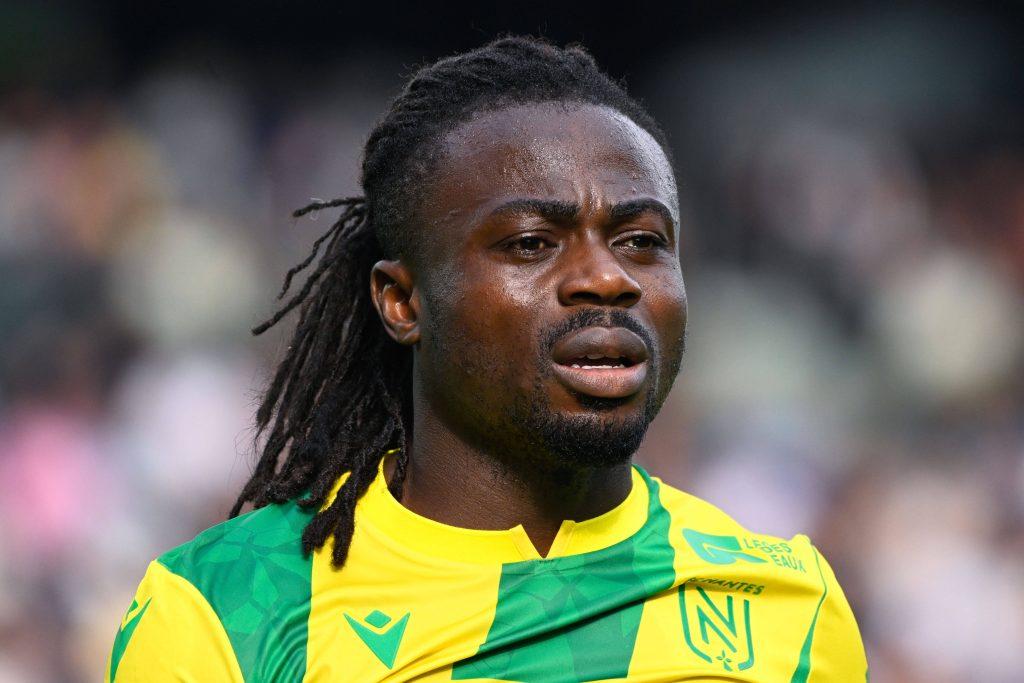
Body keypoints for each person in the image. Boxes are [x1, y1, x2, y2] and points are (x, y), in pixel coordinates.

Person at [106, 35, 867, 681]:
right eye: (532, 243)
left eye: (641, 240)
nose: (608, 278)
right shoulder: (222, 611)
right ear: (402, 302)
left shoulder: (789, 612)